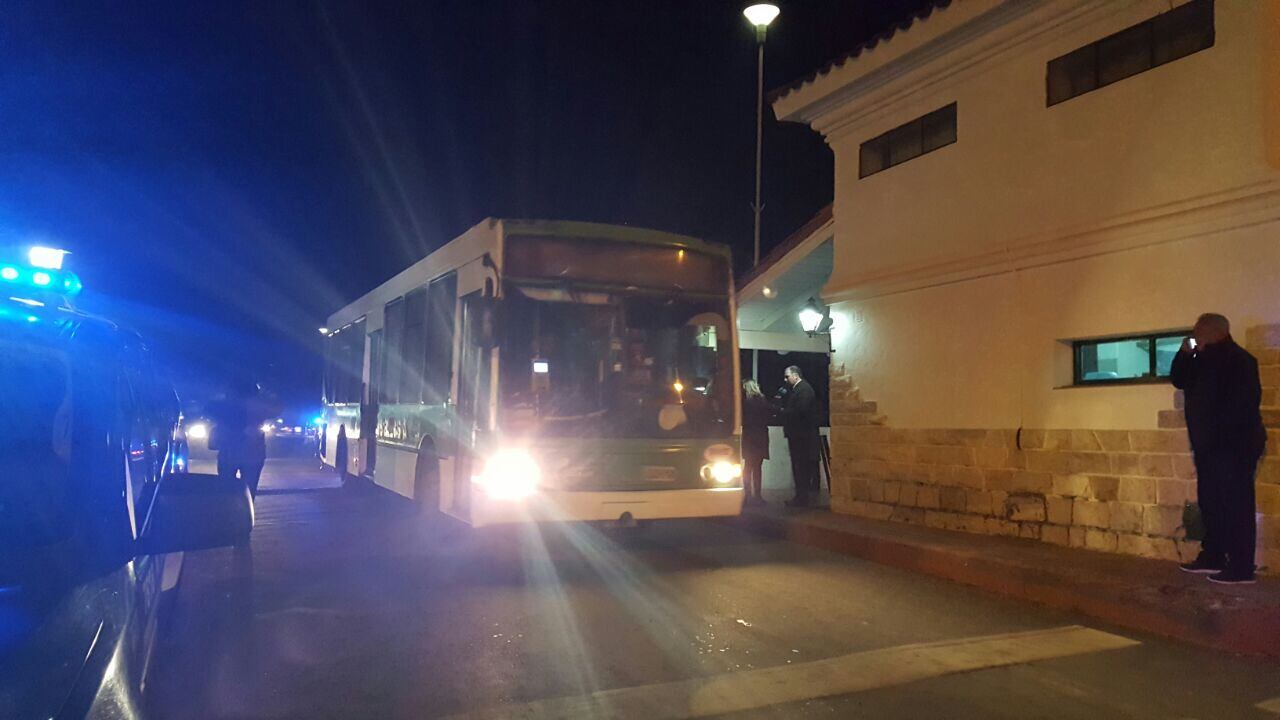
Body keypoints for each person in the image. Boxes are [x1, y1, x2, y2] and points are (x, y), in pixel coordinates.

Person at [1170, 313, 1267, 584]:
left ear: (1216, 332)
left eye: (1198, 331)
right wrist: (1185, 350)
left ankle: (1241, 566)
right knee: (1211, 502)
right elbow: (1178, 378)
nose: (1194, 335)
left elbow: (1241, 407)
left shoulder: (1240, 361)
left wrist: (1220, 441)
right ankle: (1213, 555)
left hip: (1233, 447)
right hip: (1207, 447)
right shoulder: (1200, 358)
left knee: (1236, 505)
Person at [208, 377, 279, 498]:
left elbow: (208, 409)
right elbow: (277, 408)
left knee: (226, 490)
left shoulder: (224, 407)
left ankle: (228, 513)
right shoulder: (258, 407)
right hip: (253, 453)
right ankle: (244, 513)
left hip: (229, 453)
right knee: (248, 491)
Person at [778, 365, 821, 507]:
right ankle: (800, 496)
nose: (785, 379)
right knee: (799, 466)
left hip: (801, 436)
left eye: (787, 376)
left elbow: (800, 411)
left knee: (800, 467)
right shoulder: (800, 389)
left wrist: (784, 412)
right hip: (800, 435)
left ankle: (801, 497)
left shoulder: (803, 390)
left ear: (795, 375)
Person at [741, 379, 773, 505]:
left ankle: (747, 495)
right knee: (758, 467)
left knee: (748, 466)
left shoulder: (745, 403)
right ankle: (758, 496)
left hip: (749, 436)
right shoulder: (762, 400)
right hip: (761, 435)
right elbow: (770, 413)